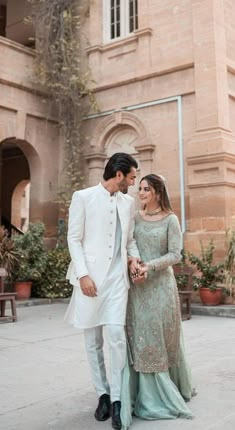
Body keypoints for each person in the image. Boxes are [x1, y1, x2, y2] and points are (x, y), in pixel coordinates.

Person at [64, 152, 140, 430]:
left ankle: (119, 400)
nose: (133, 182)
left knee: (117, 337)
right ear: (119, 175)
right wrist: (83, 274)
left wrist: (133, 257)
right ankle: (103, 395)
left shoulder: (128, 202)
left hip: (117, 281)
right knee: (93, 341)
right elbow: (74, 238)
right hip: (90, 281)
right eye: (131, 177)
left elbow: (129, 239)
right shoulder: (82, 197)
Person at [120, 174, 196, 429]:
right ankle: (140, 392)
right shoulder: (135, 217)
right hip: (138, 287)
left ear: (157, 192)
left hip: (161, 286)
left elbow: (175, 254)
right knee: (140, 335)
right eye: (140, 188)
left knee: (159, 336)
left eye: (146, 189)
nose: (141, 192)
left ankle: (162, 392)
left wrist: (149, 267)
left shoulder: (171, 219)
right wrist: (134, 265)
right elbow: (129, 245)